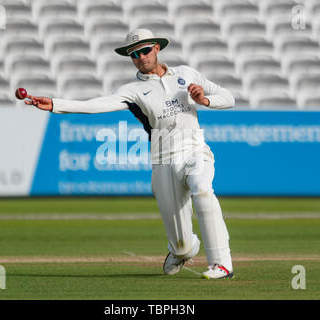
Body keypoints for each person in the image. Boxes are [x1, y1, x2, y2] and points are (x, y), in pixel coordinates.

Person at [24, 29, 236, 279]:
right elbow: (97, 105)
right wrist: (57, 104)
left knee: (202, 188)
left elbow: (228, 97)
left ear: (157, 48)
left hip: (194, 148)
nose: (141, 57)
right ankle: (181, 250)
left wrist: (205, 100)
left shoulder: (186, 73)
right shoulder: (132, 90)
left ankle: (221, 264)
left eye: (145, 50)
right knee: (182, 245)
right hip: (163, 158)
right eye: (134, 54)